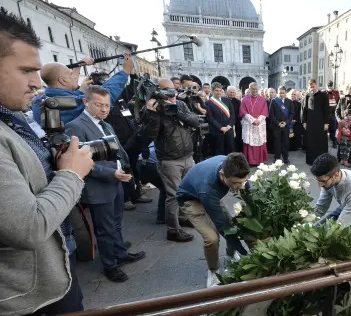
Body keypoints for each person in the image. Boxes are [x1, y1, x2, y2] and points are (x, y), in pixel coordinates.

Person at [0, 8, 130, 316]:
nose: (38, 84)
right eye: (26, 71)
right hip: (28, 295)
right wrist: (72, 174)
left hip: (50, 274)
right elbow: (26, 227)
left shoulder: (12, 123)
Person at [65, 86, 146, 282]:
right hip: (99, 186)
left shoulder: (105, 124)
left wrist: (126, 169)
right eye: (98, 105)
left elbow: (117, 149)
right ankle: (110, 266)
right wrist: (111, 173)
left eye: (107, 105)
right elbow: (82, 161)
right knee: (104, 228)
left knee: (116, 223)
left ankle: (120, 254)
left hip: (117, 181)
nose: (104, 109)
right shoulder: (76, 126)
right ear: (86, 102)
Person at [177, 153, 251, 288]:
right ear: (222, 174)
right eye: (236, 183)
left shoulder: (233, 165)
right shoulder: (208, 188)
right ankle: (213, 272)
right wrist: (246, 253)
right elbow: (222, 225)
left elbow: (247, 192)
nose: (241, 187)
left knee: (237, 220)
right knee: (212, 238)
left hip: (215, 192)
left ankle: (231, 256)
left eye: (243, 182)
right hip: (191, 199)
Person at [143, 78, 204, 243]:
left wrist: (177, 110)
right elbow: (150, 135)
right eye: (167, 91)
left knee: (187, 192)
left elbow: (195, 121)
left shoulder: (180, 104)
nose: (172, 94)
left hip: (187, 156)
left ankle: (183, 218)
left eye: (173, 90)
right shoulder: (152, 110)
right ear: (158, 92)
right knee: (173, 196)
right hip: (169, 161)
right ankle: (173, 230)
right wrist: (154, 114)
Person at [32, 53, 133, 125]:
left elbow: (66, 98)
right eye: (70, 74)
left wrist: (79, 66)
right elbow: (104, 96)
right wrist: (125, 72)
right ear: (62, 80)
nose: (74, 76)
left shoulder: (38, 101)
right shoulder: (69, 103)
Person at [240, 82, 269, 165]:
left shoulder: (263, 99)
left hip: (259, 125)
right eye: (253, 89)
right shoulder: (245, 99)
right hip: (249, 124)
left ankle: (260, 160)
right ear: (249, 89)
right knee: (249, 143)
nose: (255, 91)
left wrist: (258, 120)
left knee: (259, 142)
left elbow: (264, 111)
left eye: (256, 89)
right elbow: (243, 111)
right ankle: (250, 161)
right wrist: (252, 120)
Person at [302, 79, 330, 165]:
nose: (312, 88)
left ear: (316, 85)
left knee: (321, 142)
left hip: (321, 124)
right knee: (310, 142)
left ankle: (321, 161)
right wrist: (304, 122)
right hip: (310, 124)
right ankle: (311, 161)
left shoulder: (323, 95)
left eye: (313, 86)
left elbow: (326, 110)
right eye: (310, 87)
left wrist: (326, 123)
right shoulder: (307, 96)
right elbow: (304, 109)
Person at [205, 82, 236, 156]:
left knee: (230, 150)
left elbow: (232, 114)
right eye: (216, 90)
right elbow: (210, 118)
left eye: (220, 90)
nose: (218, 92)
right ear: (212, 91)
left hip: (229, 129)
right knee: (219, 151)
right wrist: (221, 128)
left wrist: (229, 126)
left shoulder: (226, 100)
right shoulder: (208, 103)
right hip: (217, 131)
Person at [269, 86, 294, 163]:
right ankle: (277, 158)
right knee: (277, 143)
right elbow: (271, 114)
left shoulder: (289, 102)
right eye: (280, 93)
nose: (281, 94)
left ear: (285, 93)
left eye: (283, 93)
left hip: (286, 126)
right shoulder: (274, 101)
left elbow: (291, 114)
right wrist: (278, 123)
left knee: (286, 143)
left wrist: (286, 122)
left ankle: (285, 157)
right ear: (278, 92)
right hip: (276, 126)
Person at [326, 80, 340, 149]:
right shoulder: (324, 93)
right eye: (328, 85)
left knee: (334, 129)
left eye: (331, 85)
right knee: (325, 130)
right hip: (326, 114)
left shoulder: (336, 93)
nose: (330, 87)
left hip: (333, 114)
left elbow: (338, 102)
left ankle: (335, 142)